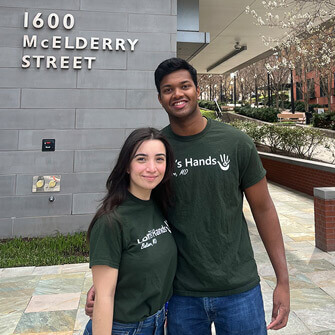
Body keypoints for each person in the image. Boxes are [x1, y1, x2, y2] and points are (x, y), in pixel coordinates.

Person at [85, 58, 290, 334]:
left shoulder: (236, 143)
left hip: (239, 289)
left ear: (197, 89)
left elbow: (264, 210)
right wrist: (107, 279)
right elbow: (141, 215)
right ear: (160, 98)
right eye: (168, 89)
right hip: (181, 296)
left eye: (185, 86)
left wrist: (283, 280)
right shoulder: (158, 152)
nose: (178, 94)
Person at [85, 127, 177, 335]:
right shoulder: (111, 221)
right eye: (141, 159)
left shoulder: (158, 205)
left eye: (159, 159)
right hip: (123, 329)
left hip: (157, 323)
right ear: (127, 166)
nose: (152, 168)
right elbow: (104, 296)